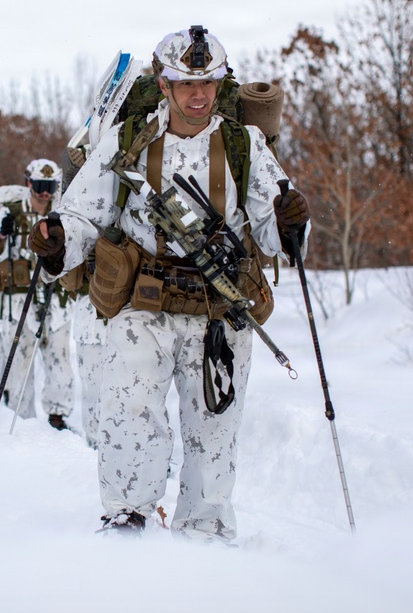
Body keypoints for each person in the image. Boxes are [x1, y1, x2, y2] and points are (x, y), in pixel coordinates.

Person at [29, 27, 310, 541]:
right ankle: (127, 519)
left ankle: (206, 533)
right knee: (129, 411)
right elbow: (83, 215)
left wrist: (292, 223)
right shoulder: (127, 141)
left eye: (207, 83)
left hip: (219, 312)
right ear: (163, 84)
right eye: (185, 84)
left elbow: (273, 233)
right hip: (143, 305)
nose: (197, 95)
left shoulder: (244, 144)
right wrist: (56, 241)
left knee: (214, 428)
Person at [0, 159, 76, 430]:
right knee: (19, 359)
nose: (45, 193)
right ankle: (20, 416)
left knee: (59, 356)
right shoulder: (10, 212)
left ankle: (58, 415)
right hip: (20, 297)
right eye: (40, 186)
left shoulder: (63, 212)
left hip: (56, 297)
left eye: (50, 186)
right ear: (29, 183)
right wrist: (2, 236)